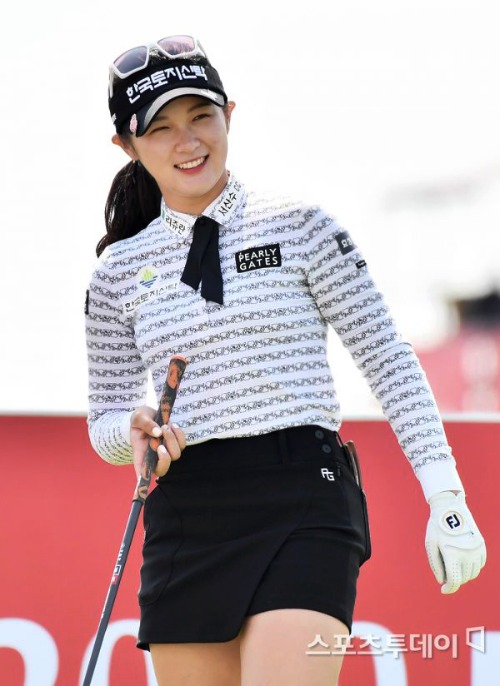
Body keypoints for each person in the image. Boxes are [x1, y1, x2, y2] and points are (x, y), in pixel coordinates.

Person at [85, 34, 487, 686]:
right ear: (127, 146)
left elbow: (387, 358)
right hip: (188, 511)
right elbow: (104, 418)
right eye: (161, 128)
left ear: (229, 114)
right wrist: (130, 429)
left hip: (304, 494)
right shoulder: (117, 272)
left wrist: (446, 495)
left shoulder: (302, 226)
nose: (188, 141)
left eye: (201, 116)